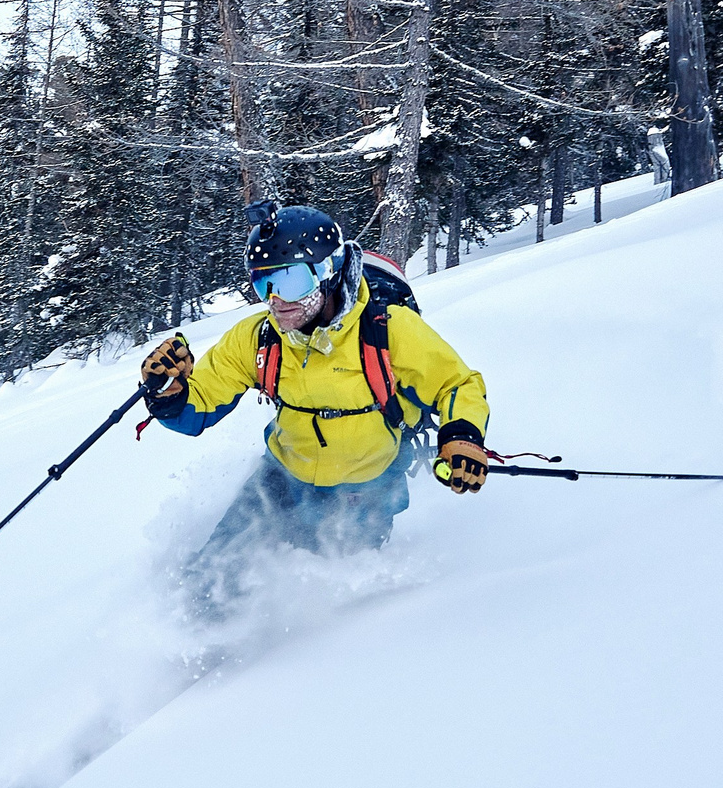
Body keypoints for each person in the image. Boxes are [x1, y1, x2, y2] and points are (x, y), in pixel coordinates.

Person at [139, 201, 491, 619]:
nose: (274, 300)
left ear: (327, 272)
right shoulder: (259, 338)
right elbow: (197, 407)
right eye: (262, 283)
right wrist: (168, 393)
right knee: (210, 577)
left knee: (329, 605)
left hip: (367, 489)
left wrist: (463, 436)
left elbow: (456, 383)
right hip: (282, 480)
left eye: (288, 281)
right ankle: (194, 662)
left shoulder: (387, 328)